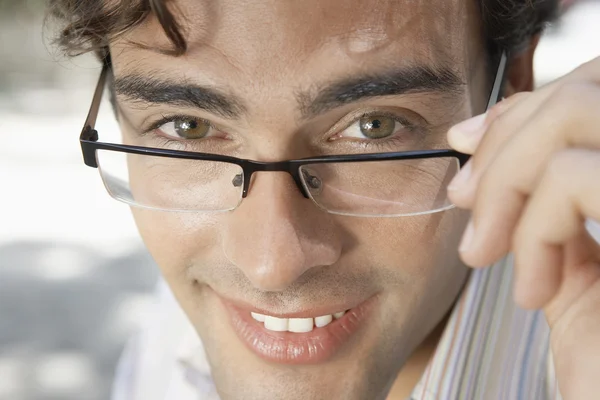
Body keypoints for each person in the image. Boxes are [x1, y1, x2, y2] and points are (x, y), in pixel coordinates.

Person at [49, 0, 600, 399]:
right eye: (187, 127)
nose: (271, 267)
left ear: (512, 87)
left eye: (375, 127)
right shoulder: (168, 339)